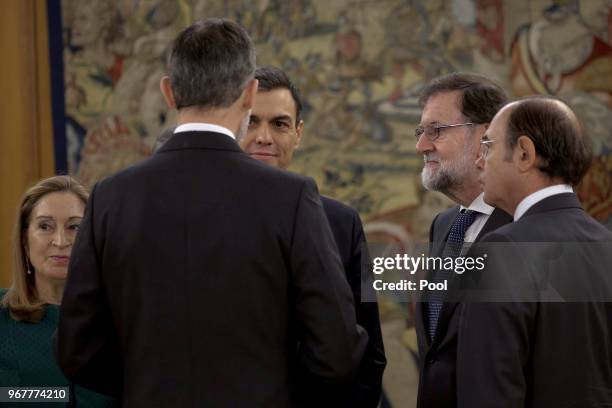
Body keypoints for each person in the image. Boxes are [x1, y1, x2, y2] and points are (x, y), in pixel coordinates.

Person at [56, 19, 367, 407]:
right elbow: (337, 352)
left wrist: (147, 383)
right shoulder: (291, 197)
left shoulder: (109, 197)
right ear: (250, 93)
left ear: (168, 92)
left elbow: (76, 350)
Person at [237, 65, 386, 407]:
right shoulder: (203, 213)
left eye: (279, 124)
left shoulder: (341, 222)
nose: (264, 137)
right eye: (251, 121)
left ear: (298, 133)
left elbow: (369, 351)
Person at [457, 96, 612, 407]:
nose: (478, 160)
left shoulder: (500, 251)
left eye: (488, 146)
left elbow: (488, 393)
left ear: (525, 154)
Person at [413, 72, 511, 407]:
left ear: (485, 136)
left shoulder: (525, 229)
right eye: (421, 132)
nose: (421, 145)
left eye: (435, 131)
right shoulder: (443, 225)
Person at [0, 175, 115, 407]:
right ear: (25, 241)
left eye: (74, 227)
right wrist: (58, 395)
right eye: (45, 226)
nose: (61, 241)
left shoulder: (121, 318)